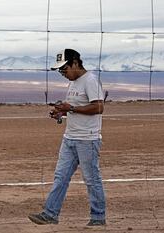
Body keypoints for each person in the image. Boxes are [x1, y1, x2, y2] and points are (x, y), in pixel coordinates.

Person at [28, 48, 106, 226]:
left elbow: (99, 107)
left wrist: (70, 108)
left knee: (91, 179)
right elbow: (75, 108)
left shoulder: (90, 80)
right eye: (60, 70)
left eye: (65, 68)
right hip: (69, 138)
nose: (63, 73)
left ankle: (98, 218)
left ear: (76, 63)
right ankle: (50, 214)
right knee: (60, 177)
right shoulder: (73, 83)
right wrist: (61, 113)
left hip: (87, 139)